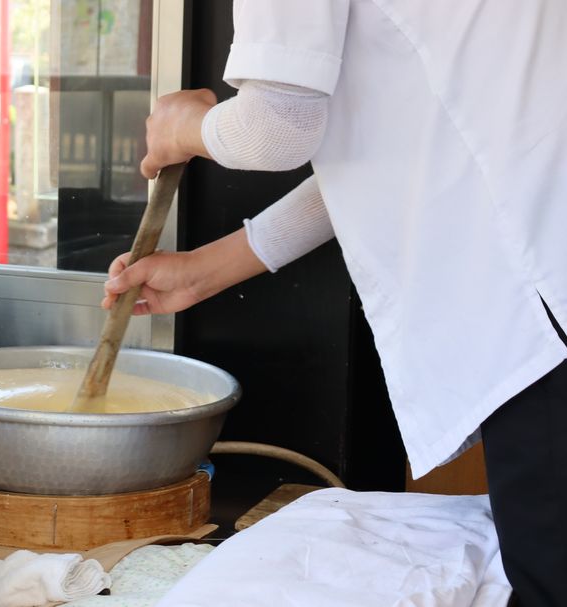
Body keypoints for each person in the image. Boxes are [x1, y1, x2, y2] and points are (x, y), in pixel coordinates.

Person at [102, 1, 567, 605]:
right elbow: (382, 153)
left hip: (539, 291)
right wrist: (200, 273)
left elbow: (275, 128)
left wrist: (183, 128)